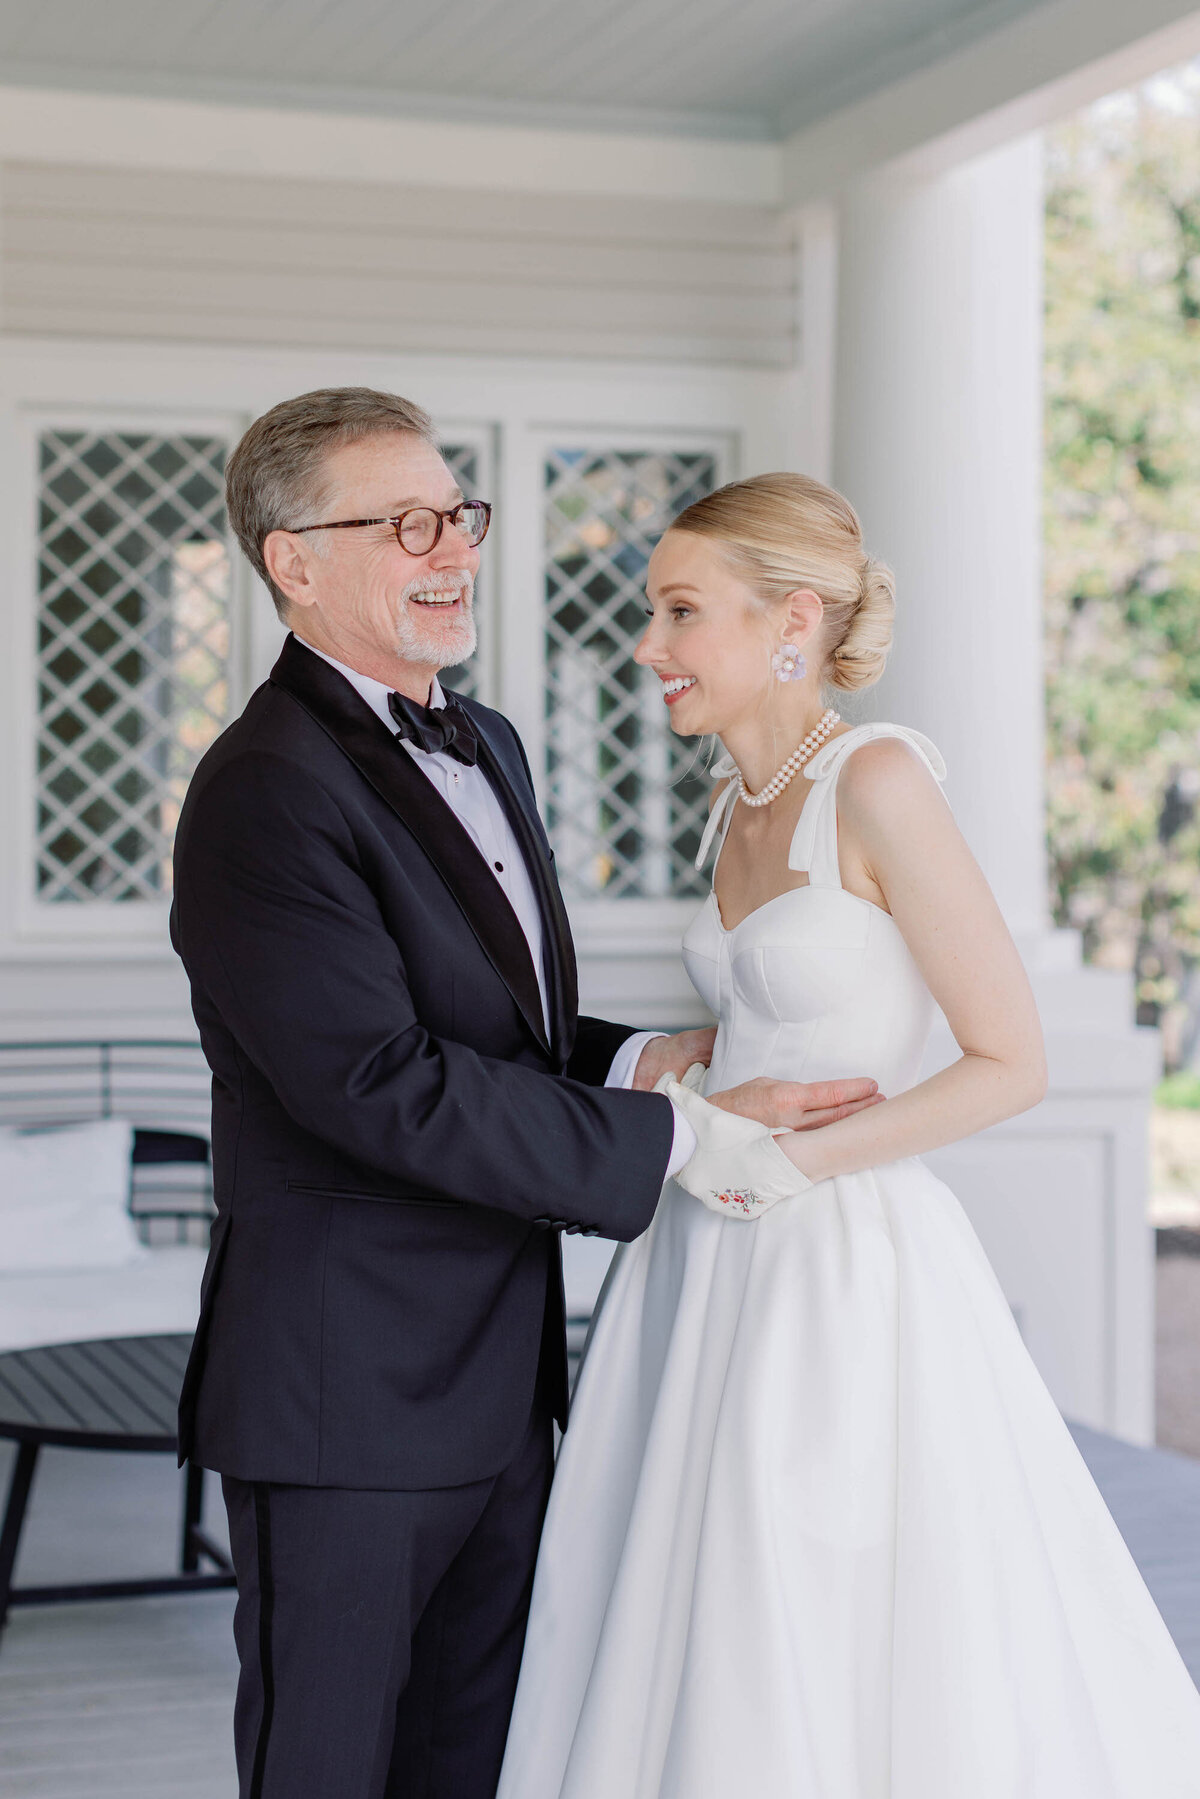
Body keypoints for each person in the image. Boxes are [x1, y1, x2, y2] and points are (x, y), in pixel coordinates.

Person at [169, 393, 881, 1799]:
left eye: (459, 514)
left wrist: (631, 1060)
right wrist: (681, 1135)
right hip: (345, 1404)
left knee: (477, 1760)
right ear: (293, 564)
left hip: (502, 1385)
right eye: (403, 524)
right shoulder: (261, 787)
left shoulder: (481, 738)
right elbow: (375, 1083)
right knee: (325, 1767)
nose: (452, 550)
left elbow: (484, 1023)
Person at [497, 472, 1200, 1798]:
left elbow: (1011, 1063)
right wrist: (701, 1092)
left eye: (679, 611)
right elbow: (766, 1024)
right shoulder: (736, 806)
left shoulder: (876, 780)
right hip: (704, 1257)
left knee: (815, 1584)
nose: (649, 647)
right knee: (690, 1597)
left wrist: (786, 1162)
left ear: (793, 623)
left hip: (841, 1264)